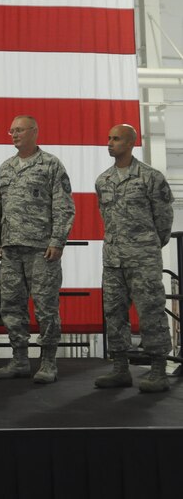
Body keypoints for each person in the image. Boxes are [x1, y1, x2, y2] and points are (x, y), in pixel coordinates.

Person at [0, 115, 75, 384]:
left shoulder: (50, 165)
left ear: (34, 132)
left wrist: (57, 240)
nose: (13, 134)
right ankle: (19, 360)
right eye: (11, 130)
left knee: (46, 306)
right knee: (11, 305)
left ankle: (48, 362)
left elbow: (64, 206)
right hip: (11, 249)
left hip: (41, 249)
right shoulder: (6, 167)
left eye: (19, 130)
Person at [94, 124, 175, 393]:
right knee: (114, 313)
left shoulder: (150, 177)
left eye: (116, 138)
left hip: (143, 258)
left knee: (151, 312)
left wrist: (148, 246)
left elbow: (163, 220)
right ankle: (120, 368)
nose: (110, 143)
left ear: (130, 143)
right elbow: (106, 218)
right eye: (109, 138)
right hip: (113, 259)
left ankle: (158, 370)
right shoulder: (103, 180)